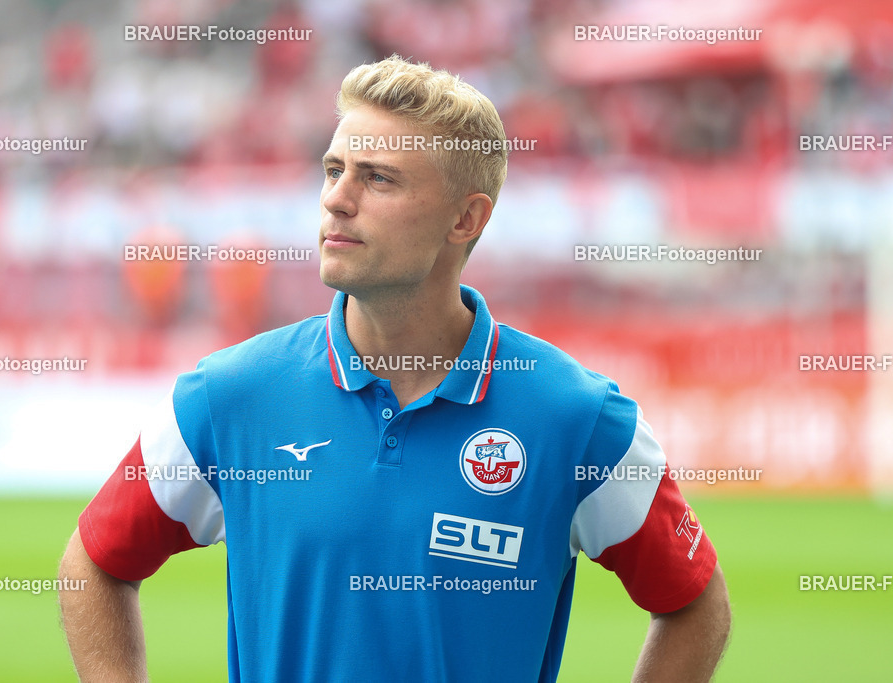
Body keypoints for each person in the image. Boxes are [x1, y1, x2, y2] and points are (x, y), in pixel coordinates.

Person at [59, 55, 731, 682]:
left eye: (377, 177)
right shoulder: (232, 394)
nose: (336, 199)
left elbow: (695, 601)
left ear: (464, 218)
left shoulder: (575, 416)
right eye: (332, 170)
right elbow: (94, 562)